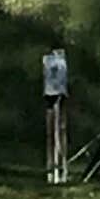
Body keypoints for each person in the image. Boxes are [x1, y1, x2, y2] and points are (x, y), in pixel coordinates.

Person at [41, 46, 70, 188]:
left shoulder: (59, 62)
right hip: (51, 94)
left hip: (59, 94)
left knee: (60, 132)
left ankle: (61, 169)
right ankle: (52, 171)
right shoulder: (49, 61)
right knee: (51, 134)